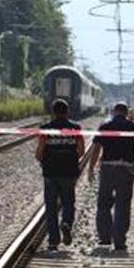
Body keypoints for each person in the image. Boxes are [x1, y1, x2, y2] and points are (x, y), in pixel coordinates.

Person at [87, 102, 134, 251]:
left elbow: (96, 148)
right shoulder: (132, 125)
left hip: (107, 168)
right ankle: (120, 241)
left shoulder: (105, 126)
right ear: (126, 112)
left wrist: (91, 168)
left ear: (113, 112)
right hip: (125, 169)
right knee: (123, 204)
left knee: (104, 203)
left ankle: (105, 238)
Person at [36, 98, 84, 253]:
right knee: (69, 202)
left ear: (53, 111)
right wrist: (70, 156)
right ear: (67, 111)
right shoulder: (75, 128)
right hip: (69, 171)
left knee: (51, 207)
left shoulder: (46, 128)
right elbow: (81, 150)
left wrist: (42, 158)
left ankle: (53, 243)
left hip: (50, 172)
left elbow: (40, 151)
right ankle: (67, 224)